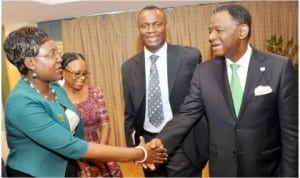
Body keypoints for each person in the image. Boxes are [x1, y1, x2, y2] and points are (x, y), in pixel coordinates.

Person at [148, 4, 298, 177]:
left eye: (218, 30)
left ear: (242, 32)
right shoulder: (203, 72)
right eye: (210, 31)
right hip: (223, 169)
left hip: (265, 169)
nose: (211, 37)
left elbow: (291, 133)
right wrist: (160, 140)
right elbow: (186, 114)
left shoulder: (278, 67)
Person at [3, 26, 167, 177]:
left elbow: (74, 132)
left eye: (58, 52)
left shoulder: (55, 88)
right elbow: (71, 145)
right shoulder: (21, 102)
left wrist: (88, 161)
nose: (59, 58)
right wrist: (140, 153)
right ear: (30, 62)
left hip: (67, 168)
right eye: (51, 54)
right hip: (37, 173)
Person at [121, 5, 208, 177]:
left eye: (157, 24)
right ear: (139, 29)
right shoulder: (128, 67)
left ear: (165, 26)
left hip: (183, 144)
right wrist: (134, 150)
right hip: (148, 145)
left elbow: (198, 103)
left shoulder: (189, 57)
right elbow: (130, 112)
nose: (151, 30)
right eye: (145, 26)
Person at [62, 52, 123, 177]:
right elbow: (64, 137)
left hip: (101, 148)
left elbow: (105, 124)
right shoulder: (57, 98)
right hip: (76, 156)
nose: (82, 77)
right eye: (77, 73)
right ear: (63, 72)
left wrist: (100, 154)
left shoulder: (95, 92)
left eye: (85, 73)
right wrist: (84, 165)